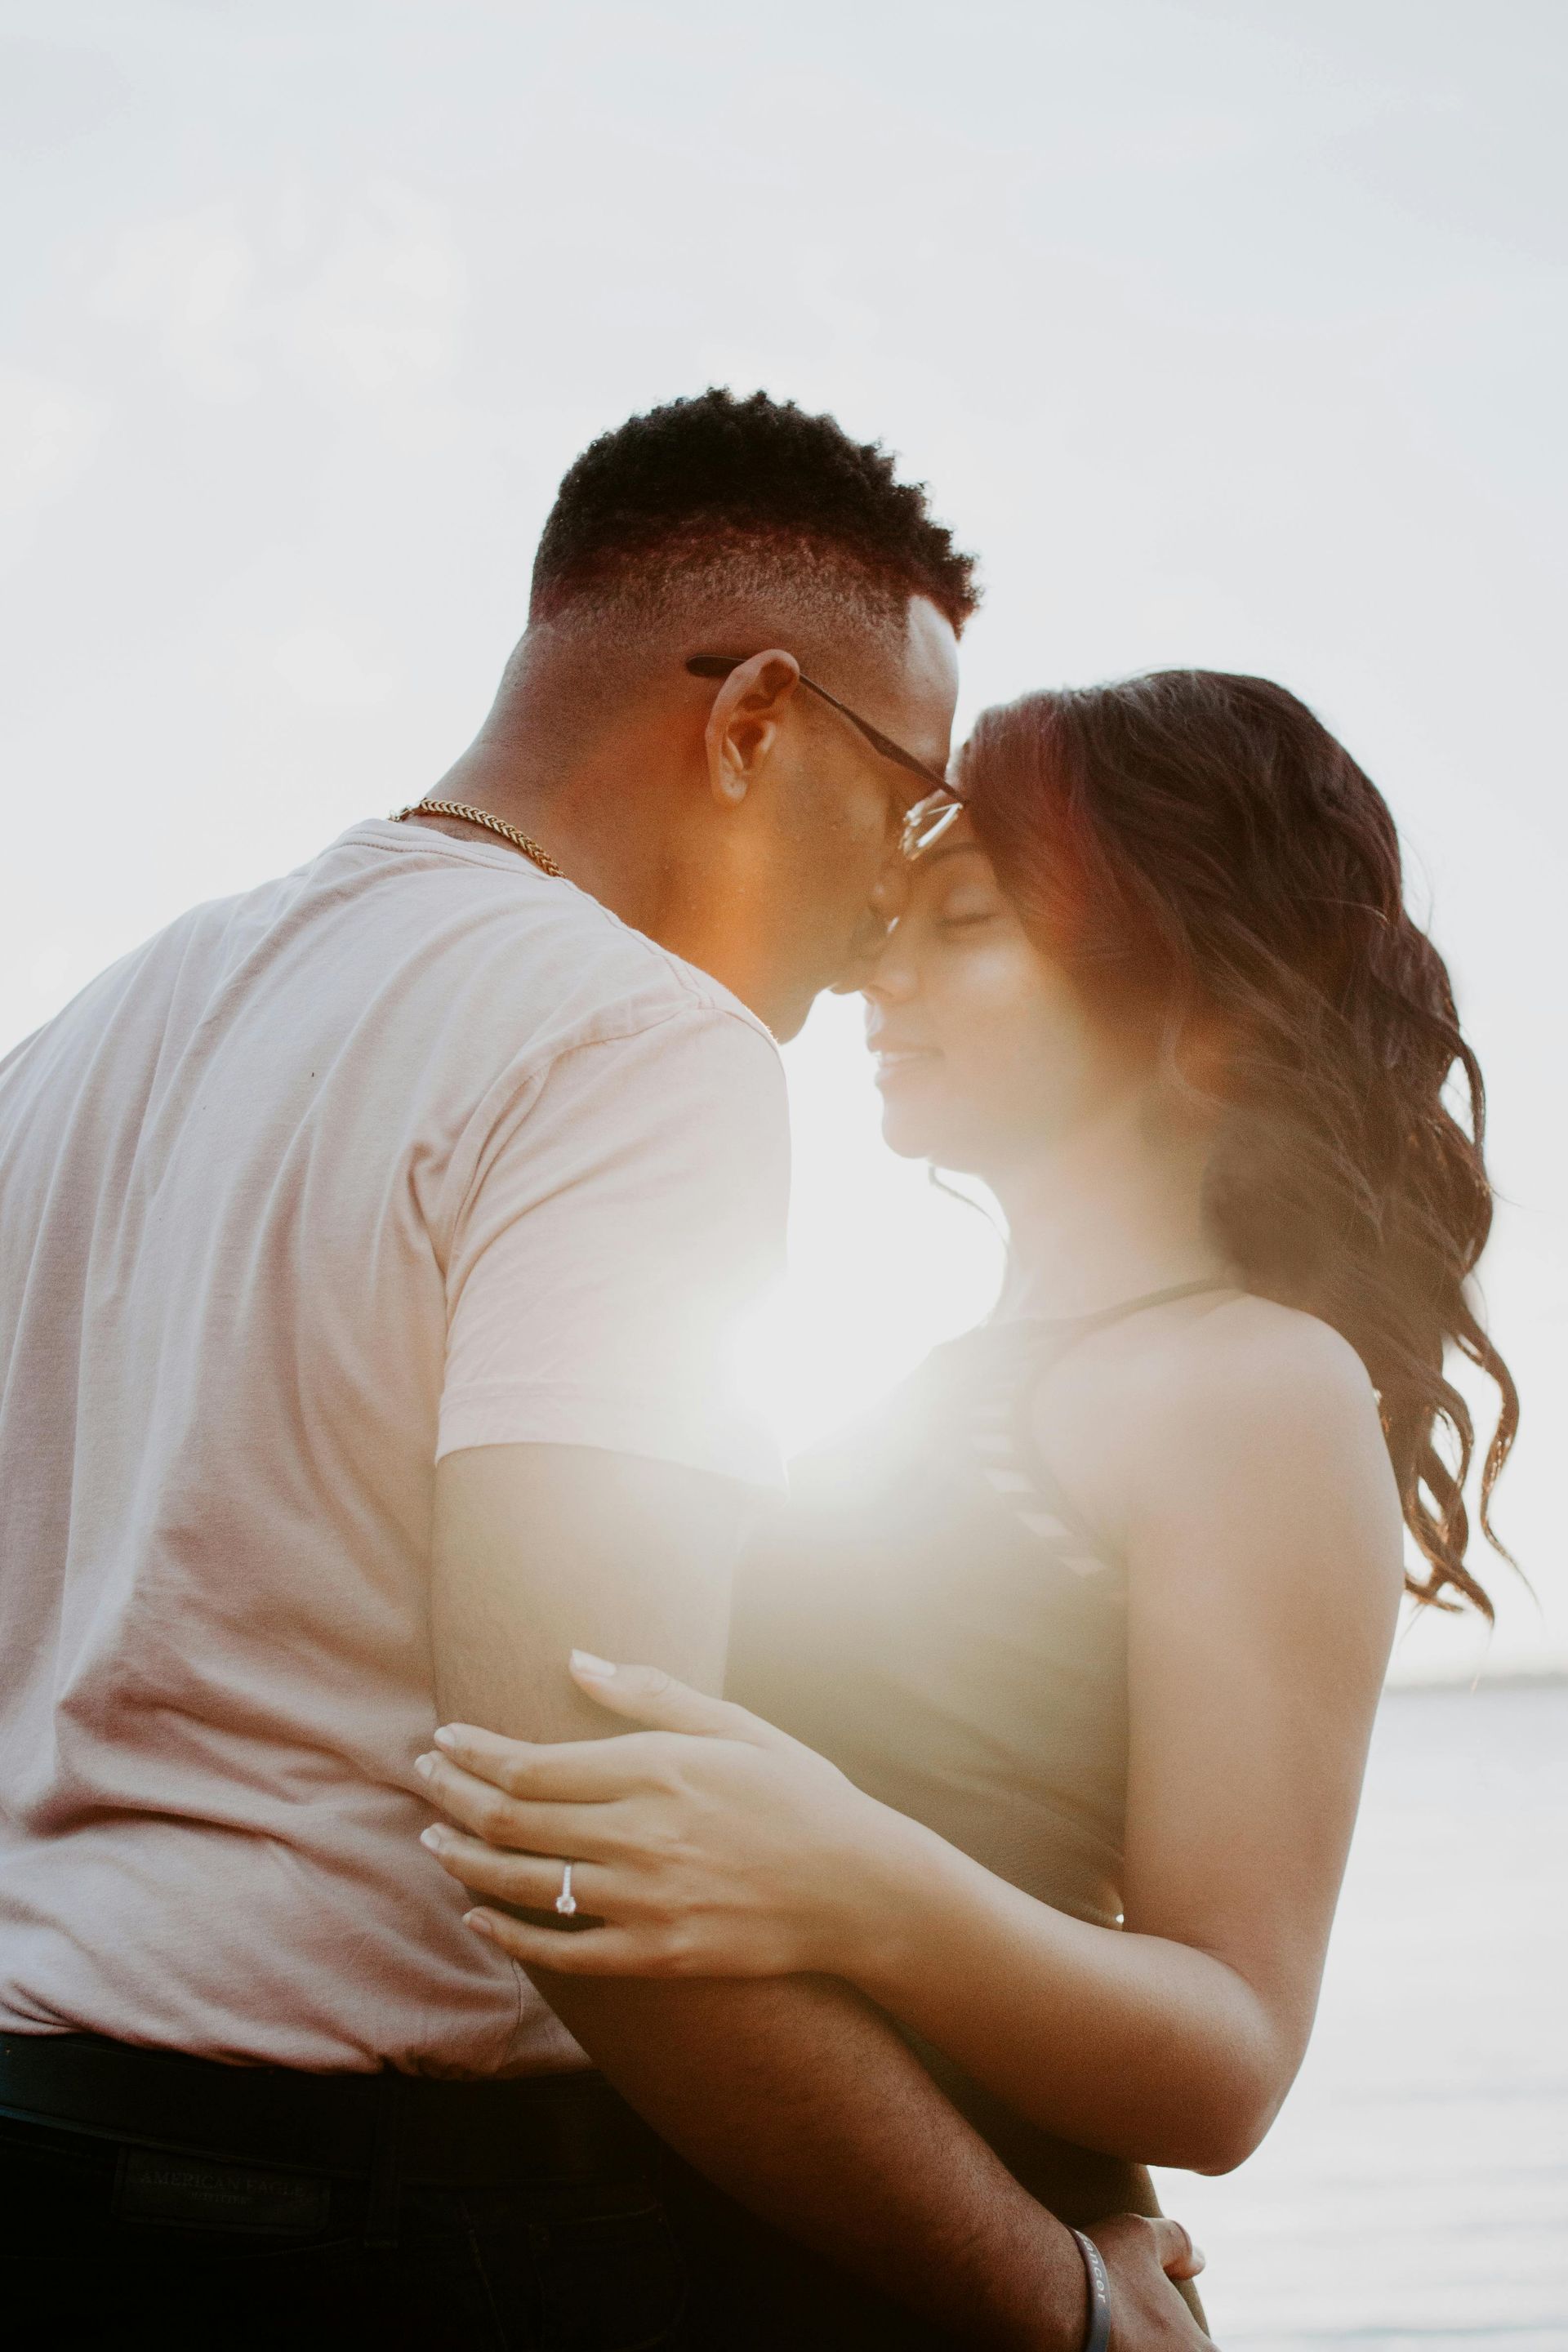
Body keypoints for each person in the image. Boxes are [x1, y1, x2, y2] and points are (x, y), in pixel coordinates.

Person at [0, 391, 1209, 2350]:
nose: (900, 898)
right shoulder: (635, 1044)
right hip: (362, 2234)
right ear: (750, 723)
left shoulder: (82, 1043)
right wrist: (1058, 2299)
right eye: (909, 802)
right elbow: (580, 1844)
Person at [416, 669, 1520, 2327]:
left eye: (968, 922)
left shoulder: (1254, 1386)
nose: (879, 972)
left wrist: (856, 1875)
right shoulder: (940, 1379)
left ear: (1192, 998)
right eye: (893, 924)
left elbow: (1228, 2063)